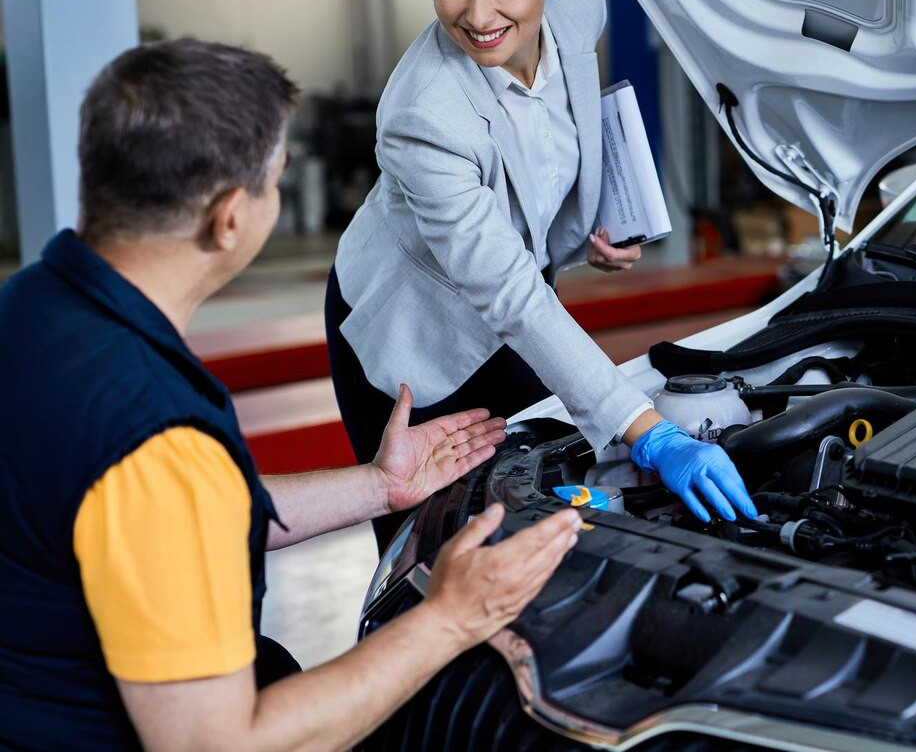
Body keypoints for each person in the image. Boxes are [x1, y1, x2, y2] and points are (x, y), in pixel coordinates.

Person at [0, 39, 581, 751]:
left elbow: (166, 522)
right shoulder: (150, 435)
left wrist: (376, 485)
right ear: (230, 217)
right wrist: (450, 617)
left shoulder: (30, 307)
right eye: (275, 181)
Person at [327, 0, 757, 547]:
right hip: (414, 321)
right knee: (436, 538)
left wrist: (579, 229)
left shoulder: (580, 4)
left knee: (544, 499)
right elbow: (511, 294)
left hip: (512, 293)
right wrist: (654, 435)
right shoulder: (422, 117)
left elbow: (541, 150)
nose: (478, 14)